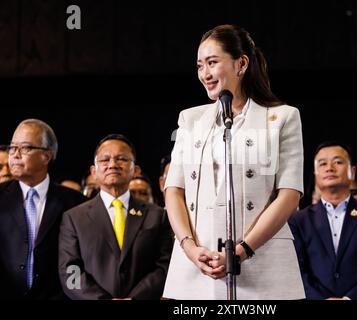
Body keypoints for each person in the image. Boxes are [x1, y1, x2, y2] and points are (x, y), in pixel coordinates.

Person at [163, 24, 305, 300]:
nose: (205, 74)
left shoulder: (283, 118)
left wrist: (242, 250)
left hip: (262, 264)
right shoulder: (189, 120)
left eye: (212, 63)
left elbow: (289, 194)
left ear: (241, 64)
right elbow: (174, 191)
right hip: (197, 265)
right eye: (199, 66)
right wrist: (190, 248)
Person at [59, 134, 173, 300]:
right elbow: (70, 272)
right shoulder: (74, 218)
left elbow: (165, 266)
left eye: (121, 159)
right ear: (94, 171)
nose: (112, 164)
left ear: (136, 170)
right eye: (105, 160)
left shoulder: (157, 216)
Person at [288, 142, 357, 299]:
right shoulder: (298, 220)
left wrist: (350, 299)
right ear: (316, 174)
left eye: (337, 162)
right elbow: (296, 270)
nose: (329, 167)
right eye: (322, 164)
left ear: (352, 171)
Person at [0, 119, 85, 299]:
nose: (15, 154)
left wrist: (73, 294)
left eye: (25, 148)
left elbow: (79, 261)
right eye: (12, 148)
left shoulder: (75, 202)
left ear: (47, 155)